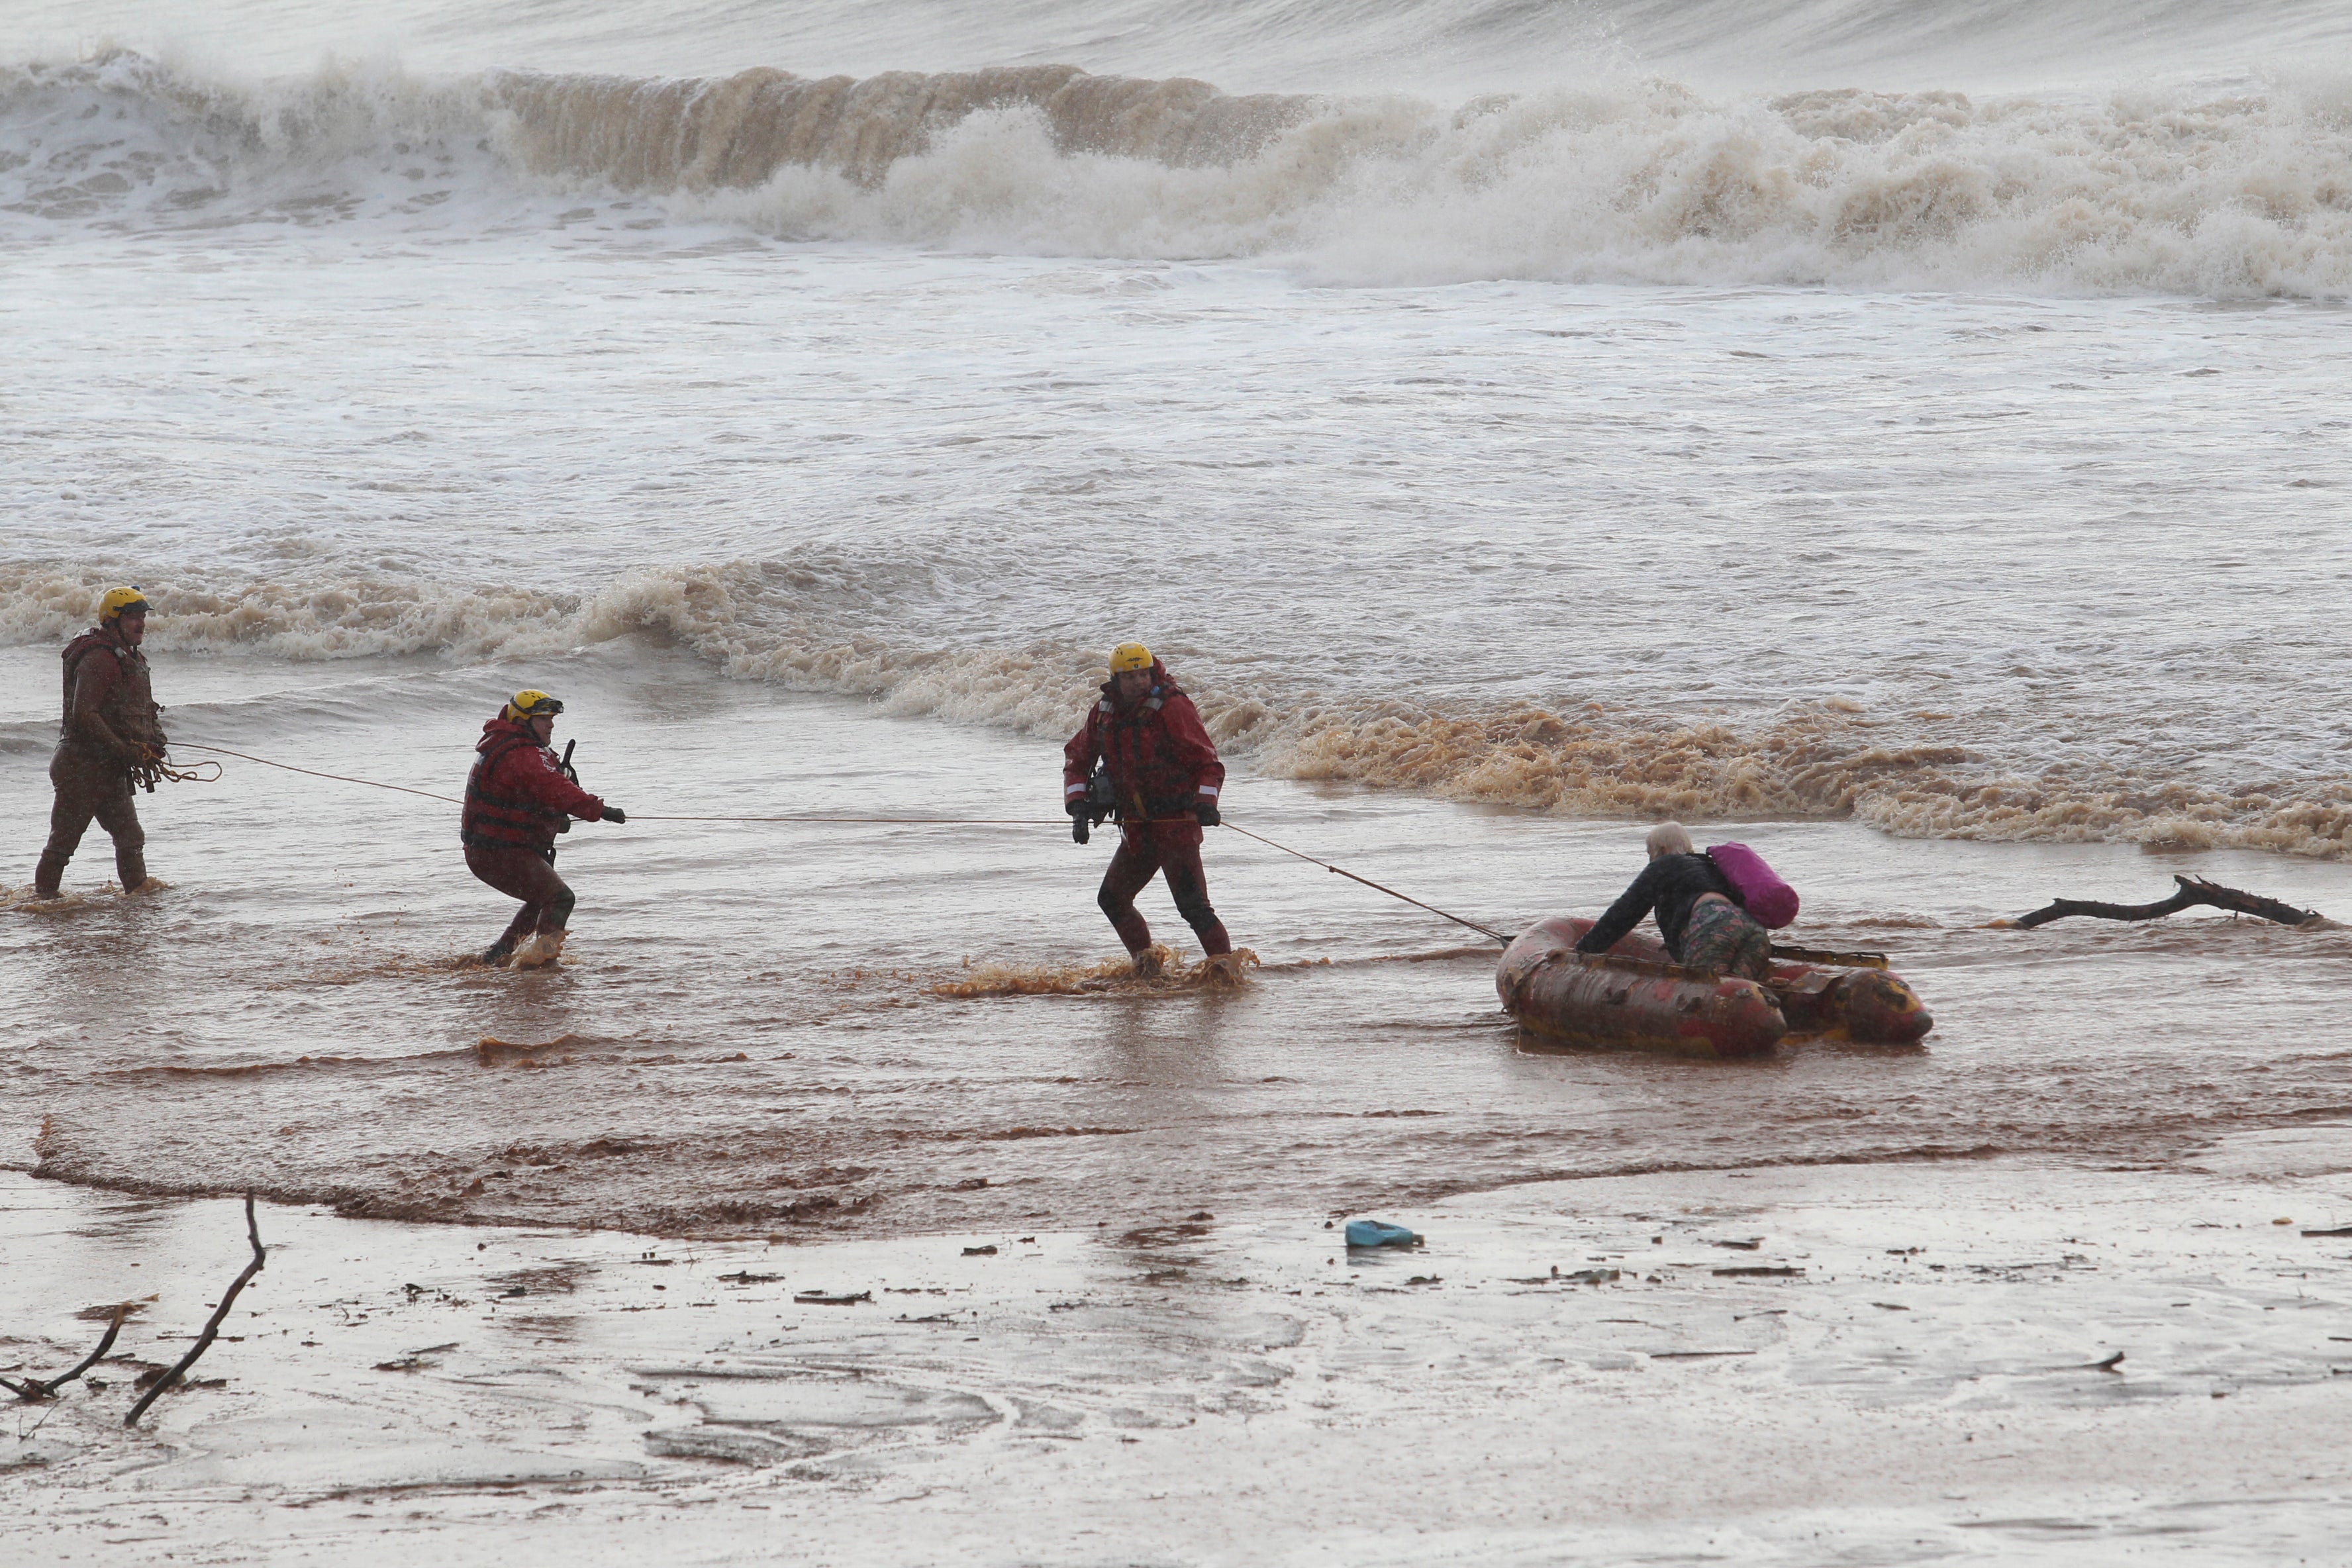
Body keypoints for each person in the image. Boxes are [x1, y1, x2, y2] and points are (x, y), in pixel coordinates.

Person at [1062, 642, 1232, 976]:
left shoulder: (1173, 708)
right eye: (1130, 677)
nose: (1138, 682)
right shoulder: (1103, 712)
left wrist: (1206, 804)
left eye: (1143, 674)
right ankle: (1147, 970)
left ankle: (1227, 974)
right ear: (1116, 680)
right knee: (1112, 900)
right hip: (1136, 827)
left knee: (1193, 908)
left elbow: (1208, 764)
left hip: (1175, 825)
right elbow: (1077, 759)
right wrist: (1078, 809)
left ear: (1153, 673)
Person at [462, 690, 625, 968]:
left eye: (551, 719)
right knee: (560, 898)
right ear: (524, 721)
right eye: (543, 719)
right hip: (498, 852)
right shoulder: (522, 755)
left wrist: (555, 811)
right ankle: (543, 964)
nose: (551, 725)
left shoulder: (516, 746)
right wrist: (600, 810)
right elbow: (556, 788)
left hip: (497, 848)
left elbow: (546, 791)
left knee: (542, 898)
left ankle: (497, 956)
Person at [35, 586, 168, 899]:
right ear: (112, 621)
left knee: (130, 837)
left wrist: (156, 742)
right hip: (81, 766)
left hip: (108, 766)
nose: (141, 624)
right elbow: (85, 715)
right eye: (133, 618)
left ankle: (137, 899)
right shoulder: (100, 659)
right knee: (62, 845)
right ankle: (42, 905)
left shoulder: (130, 658)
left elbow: (145, 709)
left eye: (143, 617)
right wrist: (126, 751)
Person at [1575, 822, 1772, 980]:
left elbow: (1624, 913)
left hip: (1713, 928)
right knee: (1740, 991)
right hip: (1753, 931)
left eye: (1649, 852)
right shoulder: (1711, 866)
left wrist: (1583, 951)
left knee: (1705, 991)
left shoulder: (1663, 865)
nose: (1649, 859)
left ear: (1661, 849)